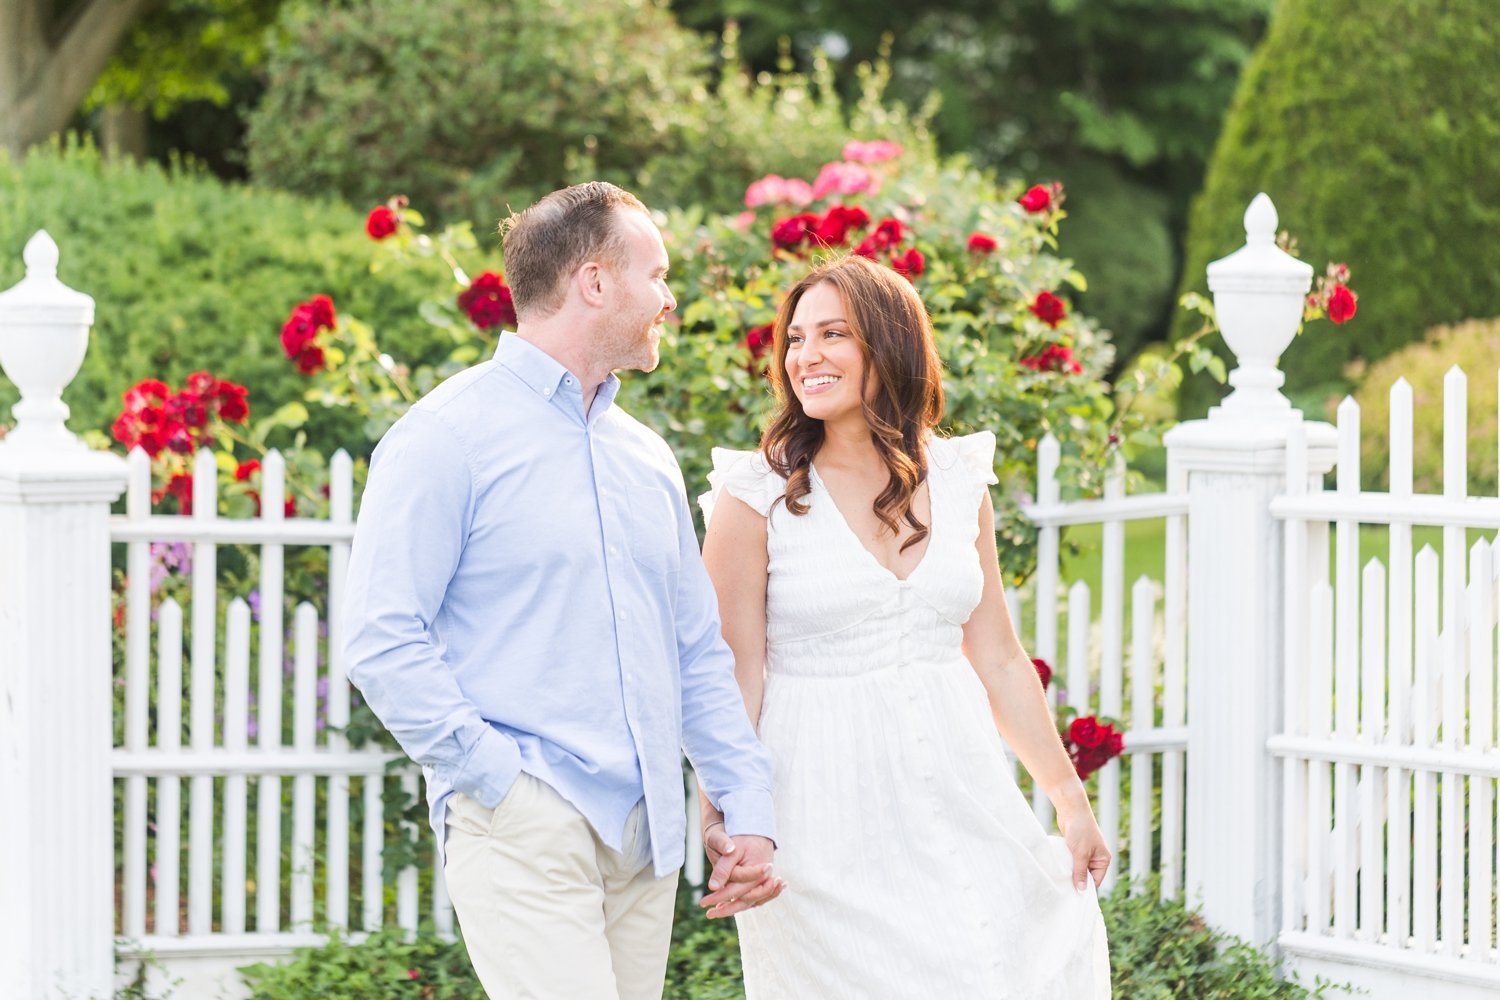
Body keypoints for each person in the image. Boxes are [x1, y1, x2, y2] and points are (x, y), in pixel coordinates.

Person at [343, 181, 783, 999]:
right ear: (594, 281)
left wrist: (745, 804)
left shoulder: (647, 459)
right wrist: (497, 779)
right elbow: (380, 637)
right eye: (655, 274)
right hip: (524, 821)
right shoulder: (446, 438)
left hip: (646, 841)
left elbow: (693, 652)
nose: (668, 296)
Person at [696, 254, 1112, 997]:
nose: (805, 357)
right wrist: (725, 819)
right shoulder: (753, 492)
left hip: (959, 787)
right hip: (818, 806)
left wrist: (1069, 801)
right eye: (795, 339)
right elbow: (730, 673)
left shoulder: (955, 480)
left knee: (997, 965)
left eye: (832, 334)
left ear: (889, 346)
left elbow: (999, 658)